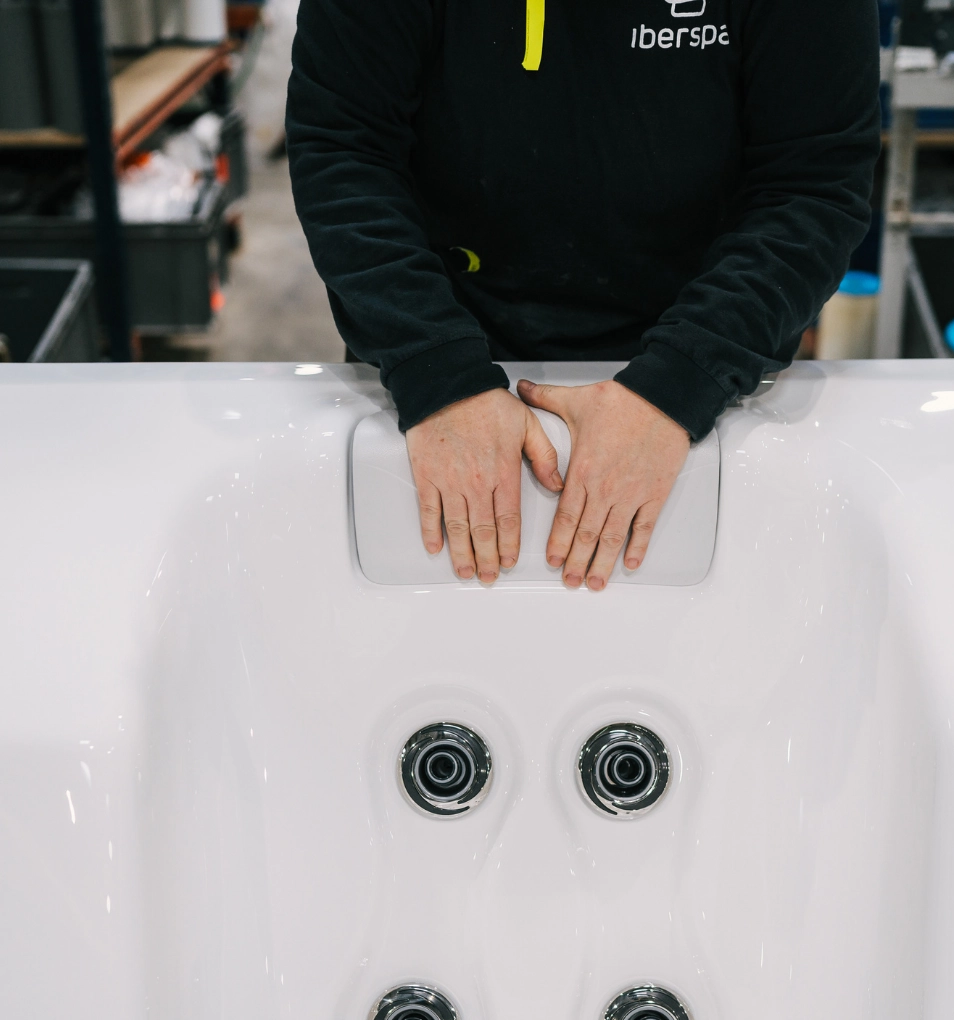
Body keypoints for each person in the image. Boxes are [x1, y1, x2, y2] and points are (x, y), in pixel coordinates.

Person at [286, 0, 880, 589]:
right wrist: (436, 369)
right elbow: (343, 147)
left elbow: (812, 184)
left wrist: (683, 379)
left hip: (700, 368)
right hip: (435, 359)